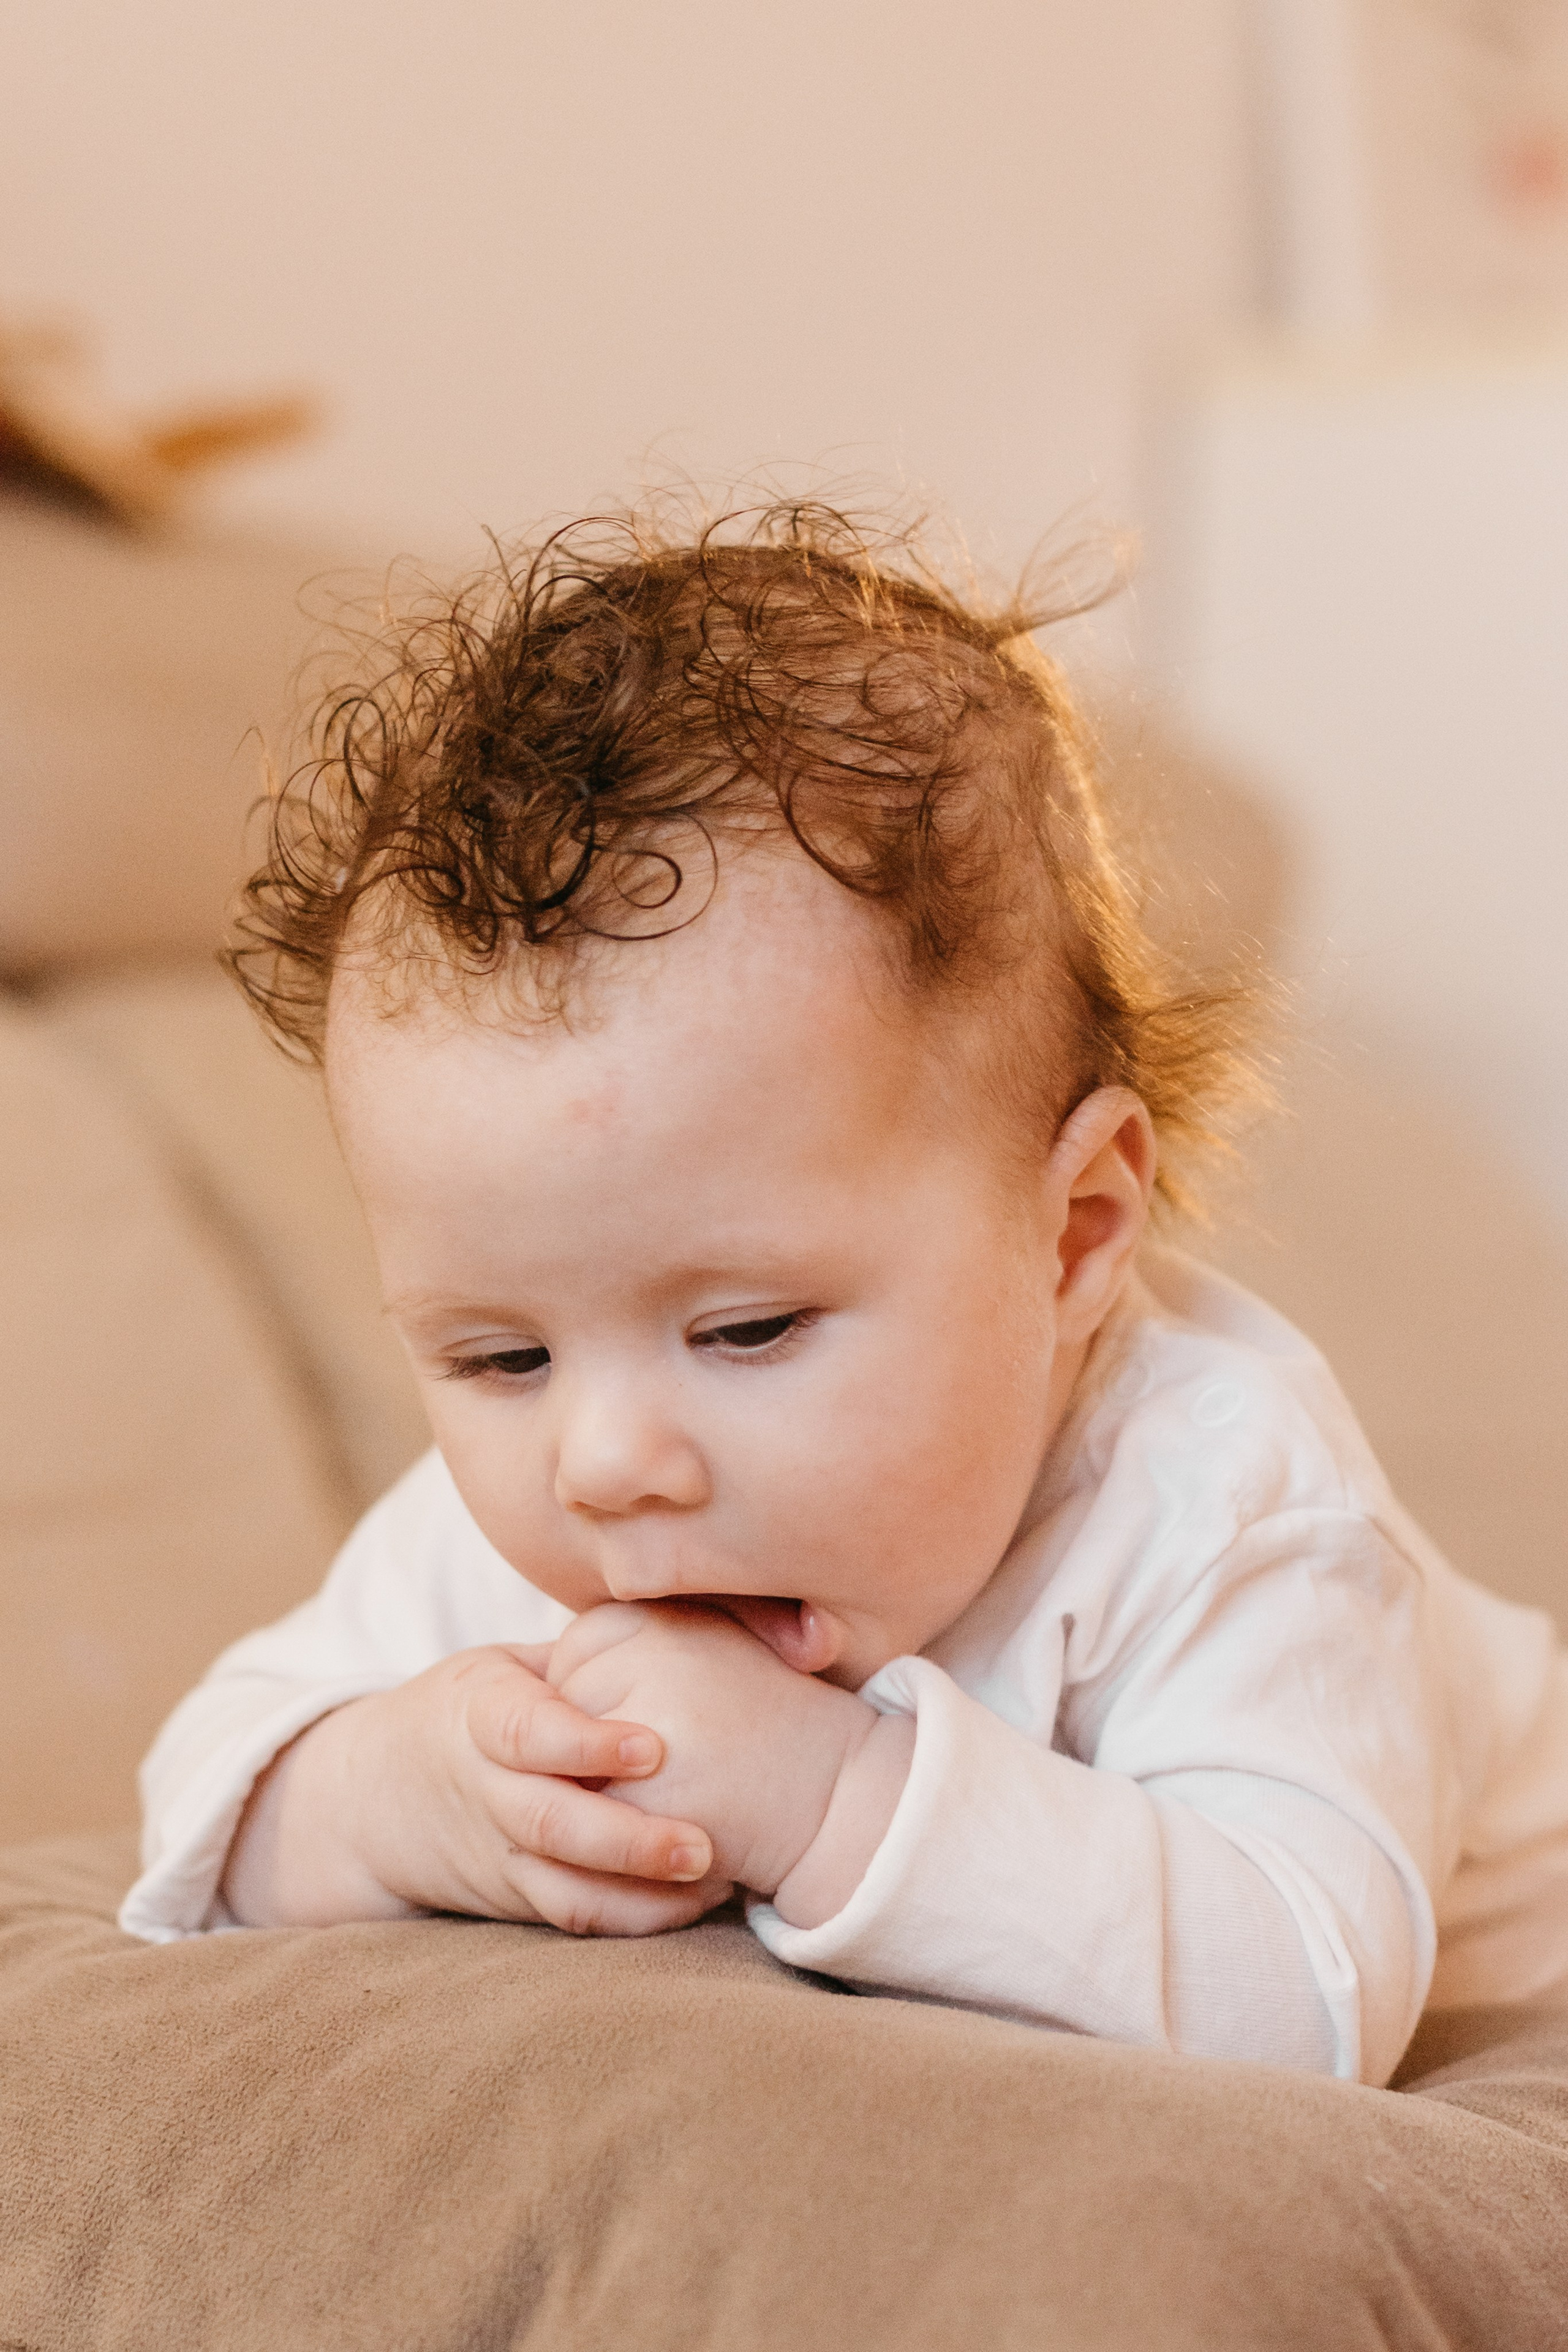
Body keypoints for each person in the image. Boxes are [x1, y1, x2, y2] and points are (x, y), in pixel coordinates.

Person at [119, 501, 1568, 2086]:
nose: (602, 1460)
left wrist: (829, 1799)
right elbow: (204, 1793)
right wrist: (391, 1796)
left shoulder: (1226, 1509)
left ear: (1077, 1235)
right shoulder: (576, 1518)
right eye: (498, 1357)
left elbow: (1301, 1997)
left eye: (746, 1330)